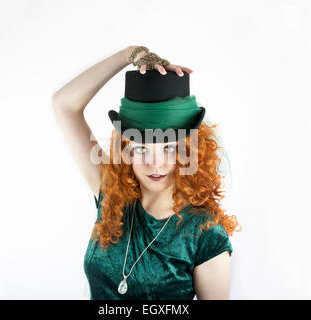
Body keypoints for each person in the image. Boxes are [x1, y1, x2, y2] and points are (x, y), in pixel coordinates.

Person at [52, 46, 241, 300]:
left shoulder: (204, 232)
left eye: (169, 147)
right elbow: (64, 104)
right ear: (125, 148)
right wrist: (130, 54)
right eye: (141, 148)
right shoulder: (112, 195)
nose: (155, 164)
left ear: (189, 150)